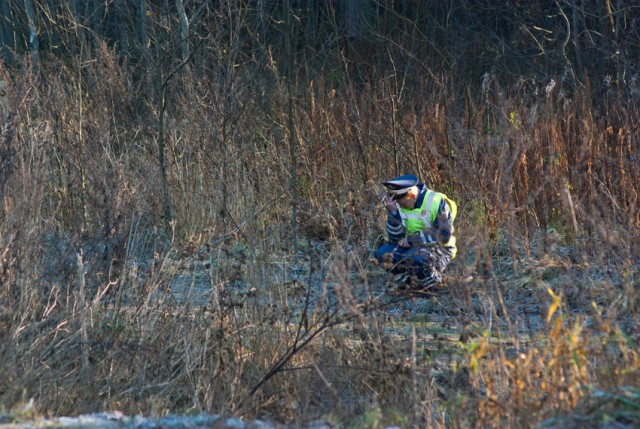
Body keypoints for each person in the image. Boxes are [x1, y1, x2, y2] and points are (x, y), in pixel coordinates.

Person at [374, 174, 457, 289]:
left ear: (412, 195)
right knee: (382, 255)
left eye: (402, 203)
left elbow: (444, 235)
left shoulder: (436, 201)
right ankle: (409, 285)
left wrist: (413, 240)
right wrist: (393, 213)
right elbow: (395, 238)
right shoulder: (397, 203)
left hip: (441, 248)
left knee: (415, 258)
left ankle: (434, 287)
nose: (399, 205)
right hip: (412, 247)